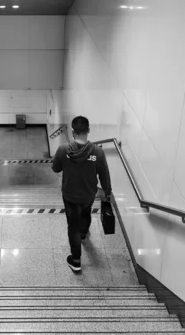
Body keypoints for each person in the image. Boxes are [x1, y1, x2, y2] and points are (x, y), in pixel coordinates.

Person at [52, 116, 112, 272]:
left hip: (70, 195)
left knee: (73, 226)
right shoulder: (98, 152)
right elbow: (104, 175)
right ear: (88, 131)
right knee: (86, 213)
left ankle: (76, 260)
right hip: (88, 194)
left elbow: (55, 168)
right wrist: (107, 192)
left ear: (73, 132)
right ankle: (84, 233)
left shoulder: (63, 149)